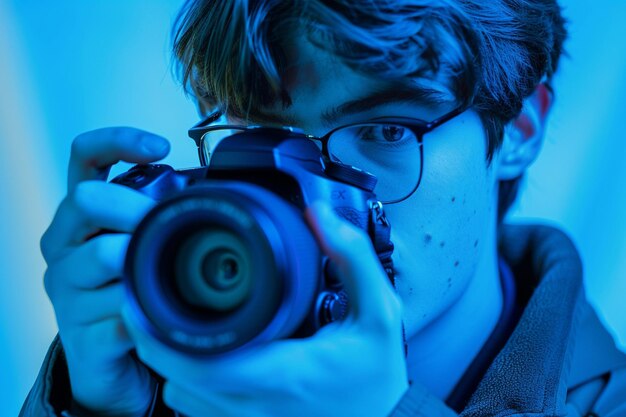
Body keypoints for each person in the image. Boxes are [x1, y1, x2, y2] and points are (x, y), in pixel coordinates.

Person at [20, 0, 626, 416]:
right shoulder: (171, 368)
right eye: (263, 133)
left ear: (520, 128)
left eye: (386, 132)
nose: (317, 206)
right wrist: (91, 406)